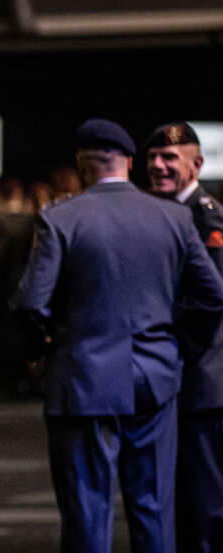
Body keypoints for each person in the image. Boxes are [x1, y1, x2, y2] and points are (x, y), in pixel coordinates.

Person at [12, 118, 223, 553]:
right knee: (153, 507)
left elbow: (31, 303)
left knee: (88, 510)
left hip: (84, 380)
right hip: (155, 379)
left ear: (81, 164)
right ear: (129, 162)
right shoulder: (173, 218)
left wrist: (39, 352)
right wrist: (173, 346)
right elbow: (214, 295)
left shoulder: (60, 218)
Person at [145, 121, 223, 553]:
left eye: (170, 158)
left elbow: (212, 300)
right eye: (154, 157)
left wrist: (166, 345)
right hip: (179, 377)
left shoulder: (204, 216)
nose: (159, 166)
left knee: (205, 498)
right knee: (180, 498)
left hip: (199, 377)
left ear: (197, 164)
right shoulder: (164, 211)